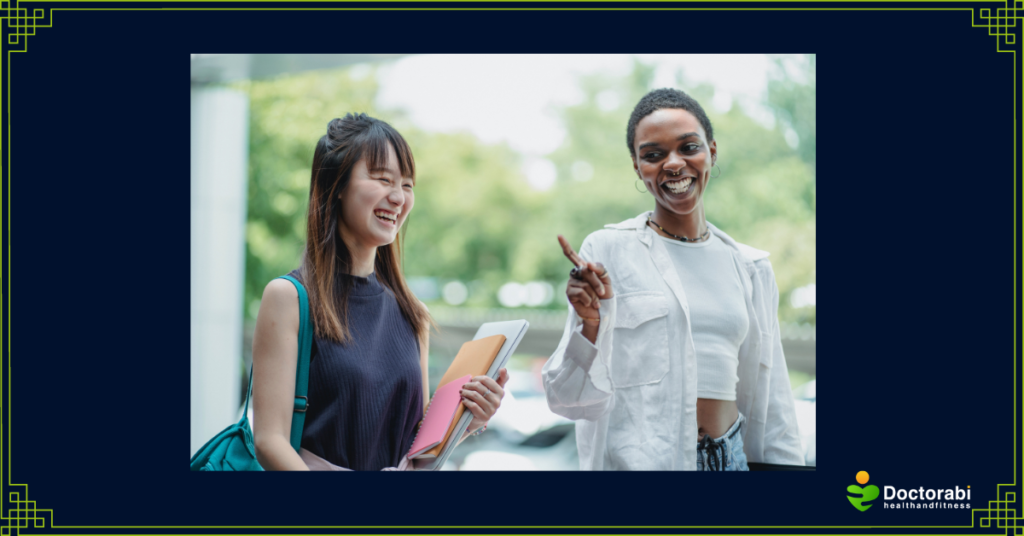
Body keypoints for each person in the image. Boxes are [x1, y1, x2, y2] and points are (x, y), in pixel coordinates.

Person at [542, 88, 804, 471]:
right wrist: (591, 325)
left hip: (729, 461)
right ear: (637, 166)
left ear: (711, 152)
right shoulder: (607, 251)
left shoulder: (751, 268)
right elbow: (568, 399)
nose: (674, 164)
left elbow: (773, 402)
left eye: (689, 147)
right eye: (653, 155)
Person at [251, 113, 508, 471]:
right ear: (336, 185)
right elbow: (269, 440)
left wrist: (471, 420)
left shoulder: (411, 311)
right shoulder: (289, 298)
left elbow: (416, 450)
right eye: (382, 178)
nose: (398, 197)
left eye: (407, 184)